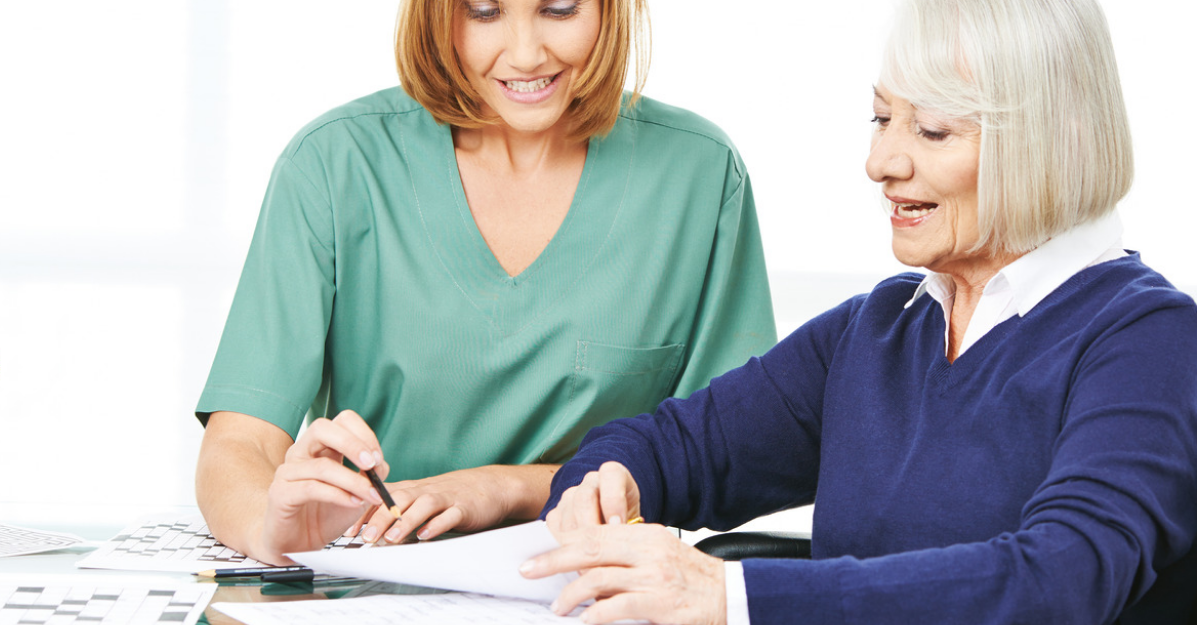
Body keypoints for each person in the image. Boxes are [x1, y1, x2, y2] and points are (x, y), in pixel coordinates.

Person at [521, 0, 1197, 623]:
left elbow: (1061, 579)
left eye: (933, 131)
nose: (880, 161)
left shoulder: (1145, 337)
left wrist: (732, 596)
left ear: (1054, 139)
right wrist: (601, 484)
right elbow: (675, 445)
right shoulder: (881, 327)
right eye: (882, 118)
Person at [193, 0, 775, 566]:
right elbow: (240, 445)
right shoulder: (333, 164)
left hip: (597, 590)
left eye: (560, 9)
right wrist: (270, 531)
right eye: (483, 11)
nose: (524, 54)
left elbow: (728, 455)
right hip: (373, 585)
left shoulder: (699, 173)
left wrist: (502, 488)